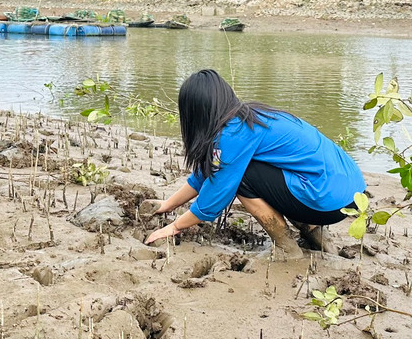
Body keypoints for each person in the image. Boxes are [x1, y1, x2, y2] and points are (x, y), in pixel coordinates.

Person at [145, 69, 365, 257]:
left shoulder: (233, 133)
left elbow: (215, 194)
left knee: (243, 176)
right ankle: (315, 236)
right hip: (351, 196)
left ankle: (287, 248)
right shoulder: (248, 117)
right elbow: (206, 173)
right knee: (256, 172)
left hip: (327, 201)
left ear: (196, 113)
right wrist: (168, 205)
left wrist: (174, 227)